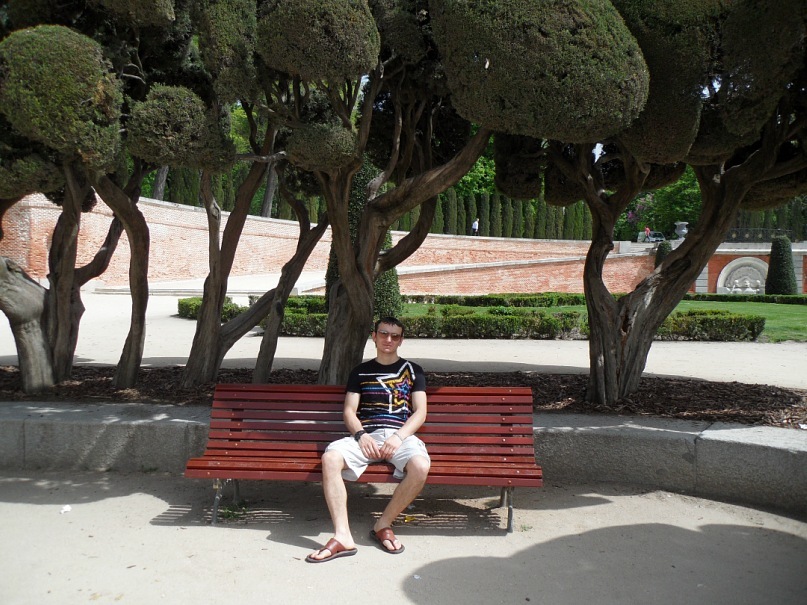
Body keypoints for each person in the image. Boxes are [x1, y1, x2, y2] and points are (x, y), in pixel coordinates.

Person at [306, 317, 430, 563]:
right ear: (374, 336)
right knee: (330, 459)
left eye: (395, 336)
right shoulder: (360, 372)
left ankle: (383, 524)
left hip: (400, 435)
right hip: (367, 435)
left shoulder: (413, 370)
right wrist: (361, 435)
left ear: (401, 340)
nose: (388, 339)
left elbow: (421, 412)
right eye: (383, 333)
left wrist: (398, 436)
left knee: (420, 466)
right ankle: (343, 536)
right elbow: (349, 411)